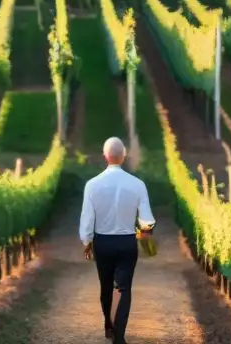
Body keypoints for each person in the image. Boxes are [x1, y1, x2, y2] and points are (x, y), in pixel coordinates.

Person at [79, 137, 156, 343]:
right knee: (123, 288)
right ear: (123, 156)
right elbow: (146, 218)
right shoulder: (137, 185)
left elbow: (87, 218)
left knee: (105, 287)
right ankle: (118, 335)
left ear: (105, 156)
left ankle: (109, 325)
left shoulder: (92, 185)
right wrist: (147, 235)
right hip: (126, 242)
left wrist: (87, 242)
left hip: (102, 243)